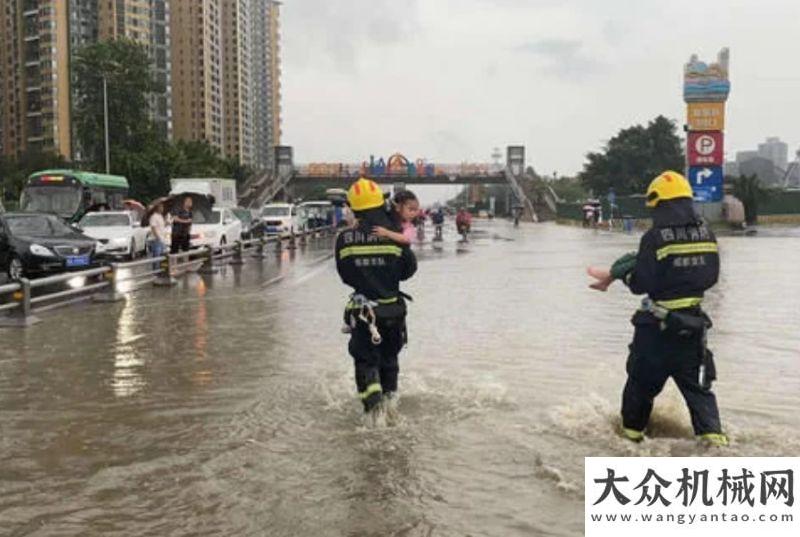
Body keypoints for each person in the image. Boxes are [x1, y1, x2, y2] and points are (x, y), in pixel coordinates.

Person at [588, 171, 727, 447]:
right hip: (692, 327)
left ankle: (631, 441)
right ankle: (716, 447)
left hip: (656, 329)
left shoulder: (655, 237)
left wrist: (623, 275)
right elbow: (711, 277)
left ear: (660, 205)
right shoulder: (707, 232)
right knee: (700, 393)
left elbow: (641, 283)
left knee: (640, 388)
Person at [336, 178, 417, 424]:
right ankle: (391, 406)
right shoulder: (394, 236)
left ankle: (373, 413)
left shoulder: (345, 239)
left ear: (354, 208)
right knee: (390, 360)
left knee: (365, 361)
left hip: (364, 314)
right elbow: (409, 270)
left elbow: (345, 276)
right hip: (393, 312)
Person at [148, 203, 168, 269]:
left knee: (161, 256)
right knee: (156, 256)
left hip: (162, 239)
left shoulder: (161, 216)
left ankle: (159, 269)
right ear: (157, 208)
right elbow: (153, 228)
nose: (162, 208)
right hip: (156, 239)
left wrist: (167, 222)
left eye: (162, 207)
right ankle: (156, 271)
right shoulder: (153, 216)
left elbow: (162, 226)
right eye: (161, 207)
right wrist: (158, 237)